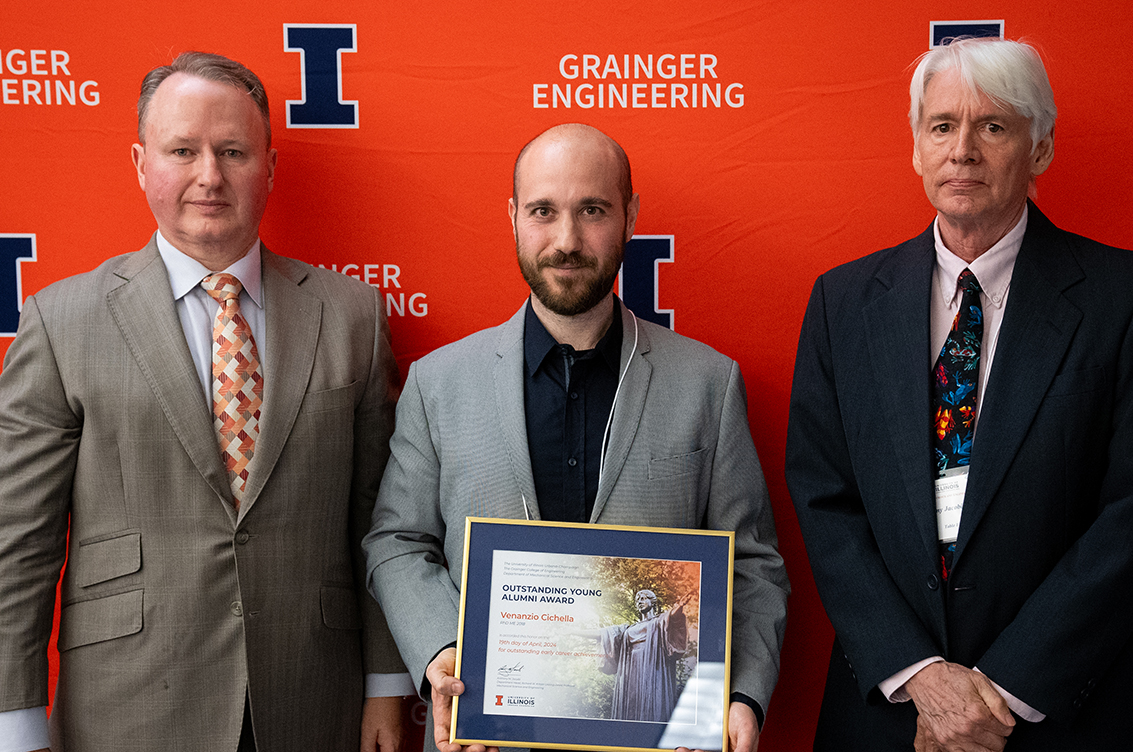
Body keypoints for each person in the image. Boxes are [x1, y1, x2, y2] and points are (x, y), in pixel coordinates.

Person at [0, 52, 412, 752]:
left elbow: (378, 520)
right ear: (139, 163)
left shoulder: (352, 316)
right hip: (126, 708)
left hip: (314, 700)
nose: (209, 177)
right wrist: (14, 720)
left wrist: (385, 683)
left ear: (271, 167)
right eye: (183, 150)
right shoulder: (61, 321)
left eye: (232, 151)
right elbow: (19, 542)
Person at [364, 123, 788, 752]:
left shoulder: (708, 383)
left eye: (592, 210)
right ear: (512, 217)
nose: (567, 241)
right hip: (484, 736)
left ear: (630, 217)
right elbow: (397, 541)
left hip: (661, 737)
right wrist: (444, 651)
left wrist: (743, 695)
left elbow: (751, 564)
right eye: (543, 211)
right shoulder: (438, 383)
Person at [786, 37, 1133, 751]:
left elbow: (1126, 517)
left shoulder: (1118, 300)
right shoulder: (842, 303)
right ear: (915, 148)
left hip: (1055, 712)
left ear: (1038, 149)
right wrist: (919, 675)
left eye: (993, 126)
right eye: (941, 126)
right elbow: (824, 501)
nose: (962, 150)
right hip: (885, 713)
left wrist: (1003, 689)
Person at [593, 590, 691, 722]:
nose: (639, 602)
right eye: (637, 600)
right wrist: (573, 632)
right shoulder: (627, 629)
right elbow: (604, 634)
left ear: (653, 601)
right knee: (631, 704)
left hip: (652, 667)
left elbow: (671, 618)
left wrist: (680, 606)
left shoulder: (658, 622)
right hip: (630, 671)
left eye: (643, 598)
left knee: (651, 699)